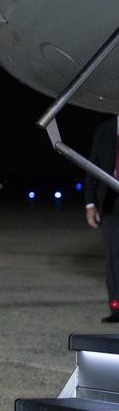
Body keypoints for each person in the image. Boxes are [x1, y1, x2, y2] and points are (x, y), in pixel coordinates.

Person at [85, 115, 119, 323]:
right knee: (113, 258)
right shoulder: (104, 130)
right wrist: (90, 204)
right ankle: (116, 307)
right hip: (110, 203)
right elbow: (92, 166)